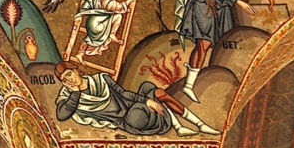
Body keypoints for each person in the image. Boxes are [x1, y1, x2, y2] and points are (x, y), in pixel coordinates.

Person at [175, 0, 273, 102]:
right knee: (203, 44)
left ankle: (201, 78)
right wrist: (238, 2)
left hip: (221, 7)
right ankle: (188, 85)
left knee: (218, 43)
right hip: (203, 5)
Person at [55, 61, 220, 136]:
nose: (69, 79)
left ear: (77, 71)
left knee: (149, 89)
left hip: (131, 107)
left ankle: (196, 124)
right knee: (139, 112)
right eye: (64, 79)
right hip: (128, 120)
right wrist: (75, 92)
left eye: (69, 74)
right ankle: (177, 126)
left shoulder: (101, 79)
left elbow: (123, 93)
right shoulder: (68, 96)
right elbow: (62, 115)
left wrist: (144, 100)